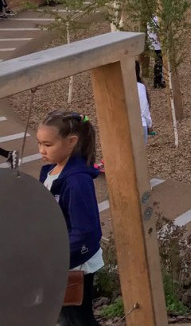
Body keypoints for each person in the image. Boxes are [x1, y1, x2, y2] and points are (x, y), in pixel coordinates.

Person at [36, 110, 104, 325]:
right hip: (58, 260)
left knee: (78, 320)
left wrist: (59, 258)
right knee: (67, 317)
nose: (41, 150)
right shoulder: (50, 172)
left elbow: (85, 230)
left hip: (74, 264)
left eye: (48, 145)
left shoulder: (77, 182)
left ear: (71, 142)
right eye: (39, 143)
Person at [135, 61, 153, 145]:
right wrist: (149, 124)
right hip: (140, 124)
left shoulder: (119, 86)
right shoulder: (140, 87)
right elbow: (144, 108)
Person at [147, 16, 164, 89]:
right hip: (158, 45)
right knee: (159, 63)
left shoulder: (150, 20)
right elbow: (158, 34)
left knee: (158, 62)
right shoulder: (157, 20)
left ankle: (158, 81)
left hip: (153, 45)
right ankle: (158, 82)